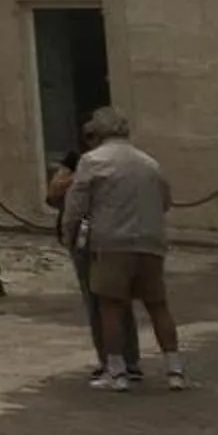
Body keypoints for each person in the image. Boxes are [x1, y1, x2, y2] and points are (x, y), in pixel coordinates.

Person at [62, 107, 184, 389]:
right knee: (158, 305)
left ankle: (117, 370)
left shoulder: (92, 162)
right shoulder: (149, 162)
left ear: (96, 135)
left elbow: (76, 206)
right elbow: (165, 200)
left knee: (111, 305)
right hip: (150, 240)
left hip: (111, 241)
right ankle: (174, 368)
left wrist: (70, 236)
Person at [48, 147, 139, 383]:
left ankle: (120, 361)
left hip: (109, 237)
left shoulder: (122, 161)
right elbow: (54, 193)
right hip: (86, 238)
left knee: (111, 300)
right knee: (99, 300)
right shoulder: (79, 160)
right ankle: (113, 359)